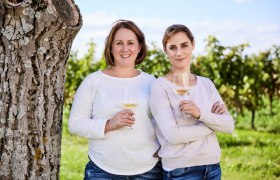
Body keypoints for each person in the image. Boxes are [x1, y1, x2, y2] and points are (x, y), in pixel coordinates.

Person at [68, 19, 162, 180]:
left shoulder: (151, 82)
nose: (125, 49)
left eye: (131, 43)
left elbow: (162, 122)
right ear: (111, 47)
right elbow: (75, 124)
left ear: (139, 47)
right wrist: (109, 124)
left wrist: (163, 150)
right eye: (119, 43)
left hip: (147, 170)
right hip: (102, 170)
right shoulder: (94, 81)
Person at [149, 24, 235, 180]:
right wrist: (211, 124)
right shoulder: (160, 86)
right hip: (179, 171)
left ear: (193, 45)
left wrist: (200, 113)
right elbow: (173, 135)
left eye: (184, 45)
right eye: (173, 47)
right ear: (165, 51)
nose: (179, 52)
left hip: (212, 167)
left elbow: (229, 126)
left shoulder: (206, 84)